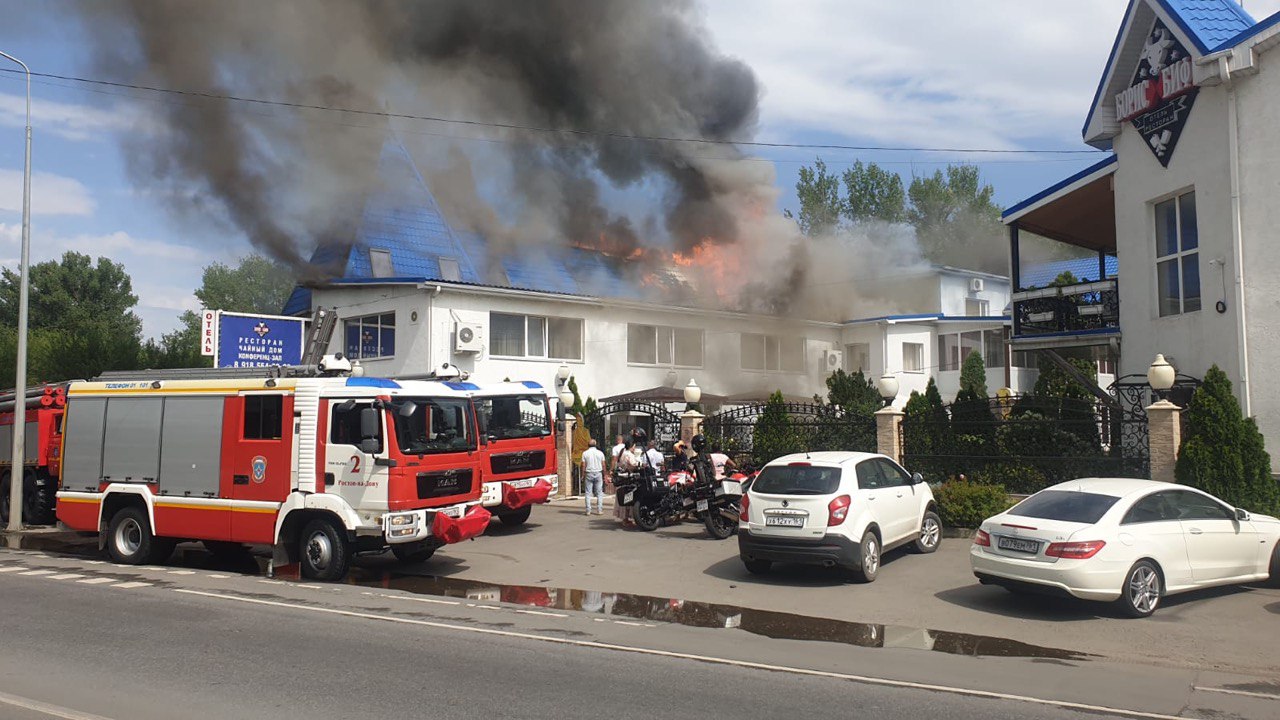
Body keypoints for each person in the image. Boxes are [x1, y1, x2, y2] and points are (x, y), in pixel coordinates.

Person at [581, 439, 606, 515]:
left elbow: (583, 465)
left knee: (588, 493)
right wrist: (605, 475)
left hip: (589, 473)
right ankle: (599, 510)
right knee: (599, 493)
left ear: (588, 445)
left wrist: (583, 475)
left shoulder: (585, 453)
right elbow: (603, 465)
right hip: (598, 473)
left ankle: (588, 510)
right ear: (595, 444)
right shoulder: (600, 453)